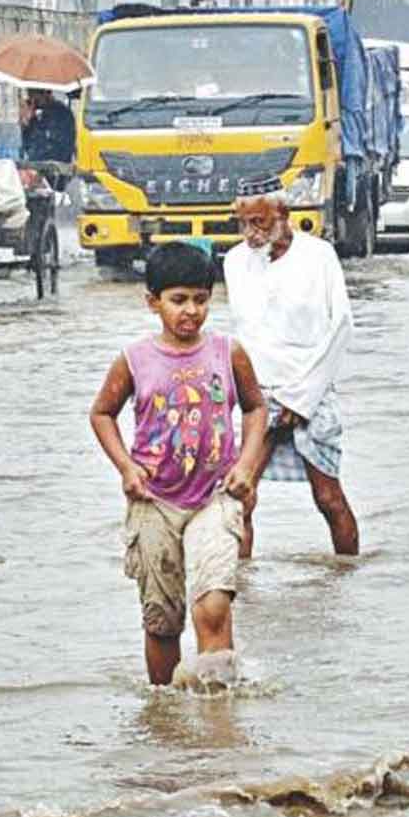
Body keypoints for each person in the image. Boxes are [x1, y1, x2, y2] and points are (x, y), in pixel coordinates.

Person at [89, 241, 267, 688]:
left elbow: (255, 407)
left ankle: (218, 709)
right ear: (153, 302)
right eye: (178, 300)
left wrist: (246, 465)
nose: (191, 311)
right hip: (155, 502)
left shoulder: (228, 352)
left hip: (215, 498)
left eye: (201, 300)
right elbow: (102, 413)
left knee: (214, 604)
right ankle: (164, 712)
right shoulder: (134, 360)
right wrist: (126, 468)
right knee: (162, 621)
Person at [223, 178, 360, 559]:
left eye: (259, 222)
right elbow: (244, 336)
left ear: (283, 214)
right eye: (242, 223)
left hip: (310, 394)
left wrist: (301, 401)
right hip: (259, 397)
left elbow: (341, 328)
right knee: (240, 499)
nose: (250, 233)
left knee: (328, 498)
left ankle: (348, 577)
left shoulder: (319, 256)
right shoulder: (234, 262)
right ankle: (239, 585)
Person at [19, 88, 76, 166]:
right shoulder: (38, 116)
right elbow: (27, 145)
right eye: (31, 98)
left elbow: (59, 147)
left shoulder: (61, 113)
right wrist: (26, 124)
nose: (34, 102)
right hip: (38, 165)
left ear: (45, 93)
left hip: (55, 166)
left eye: (35, 98)